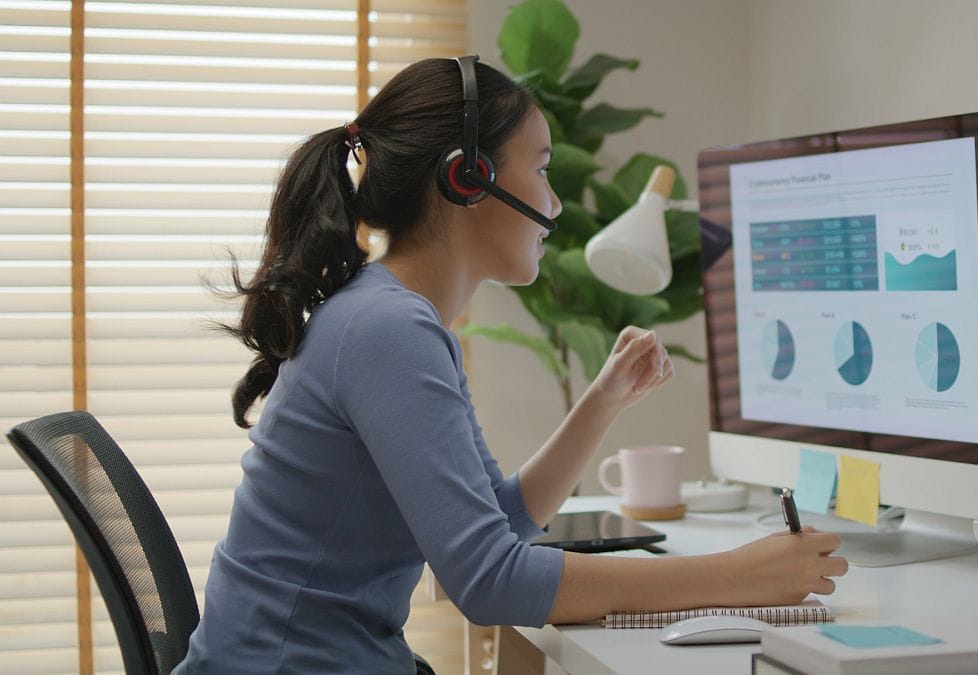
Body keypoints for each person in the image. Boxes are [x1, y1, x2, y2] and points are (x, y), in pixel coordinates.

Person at [175, 56, 848, 674]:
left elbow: (495, 524)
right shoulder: (388, 328)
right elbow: (491, 583)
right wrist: (736, 576)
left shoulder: (395, 317)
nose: (553, 203)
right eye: (544, 167)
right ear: (468, 178)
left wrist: (602, 399)